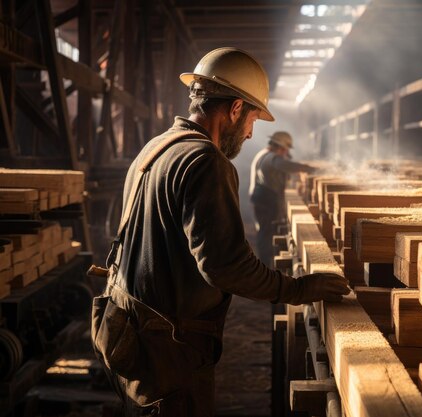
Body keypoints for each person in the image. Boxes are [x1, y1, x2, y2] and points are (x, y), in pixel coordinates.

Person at [90, 47, 350, 417]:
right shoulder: (206, 162)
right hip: (167, 353)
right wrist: (298, 288)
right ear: (235, 109)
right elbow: (225, 267)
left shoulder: (155, 149)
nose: (249, 135)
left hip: (126, 334)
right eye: (253, 121)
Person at [249, 131, 316, 266]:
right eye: (286, 150)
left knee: (264, 230)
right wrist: (309, 169)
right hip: (265, 198)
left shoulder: (263, 154)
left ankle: (265, 262)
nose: (286, 153)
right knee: (267, 232)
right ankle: (265, 265)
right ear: (281, 147)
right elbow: (285, 165)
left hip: (261, 196)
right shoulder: (272, 158)